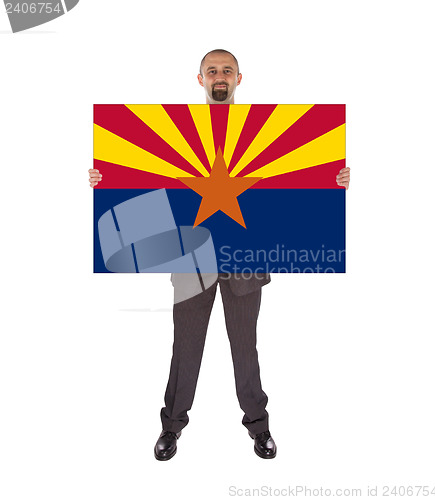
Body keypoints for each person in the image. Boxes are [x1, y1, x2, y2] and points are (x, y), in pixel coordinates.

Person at [89, 49, 351, 461]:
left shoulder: (265, 133)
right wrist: (108, 180)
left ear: (239, 78)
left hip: (245, 264)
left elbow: (293, 180)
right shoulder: (173, 134)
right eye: (212, 71)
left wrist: (332, 179)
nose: (219, 76)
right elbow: (143, 183)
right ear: (200, 80)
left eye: (226, 70)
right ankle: (171, 426)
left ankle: (258, 426)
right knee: (186, 347)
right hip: (190, 262)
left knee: (245, 348)